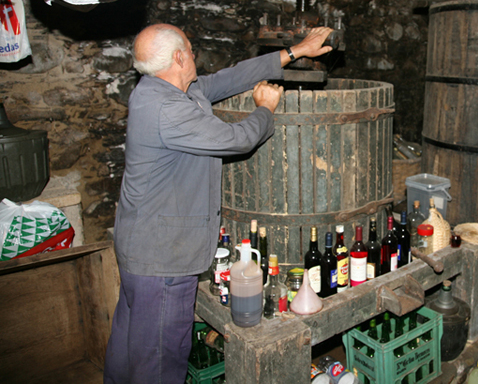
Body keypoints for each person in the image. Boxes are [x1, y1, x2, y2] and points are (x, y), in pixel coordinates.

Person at [103, 23, 333, 384]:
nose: (195, 56)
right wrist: (265, 110)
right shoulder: (168, 110)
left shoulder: (164, 88)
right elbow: (236, 139)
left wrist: (296, 51)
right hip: (162, 259)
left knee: (131, 343)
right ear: (180, 57)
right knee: (160, 361)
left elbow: (228, 79)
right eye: (191, 50)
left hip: (141, 246)